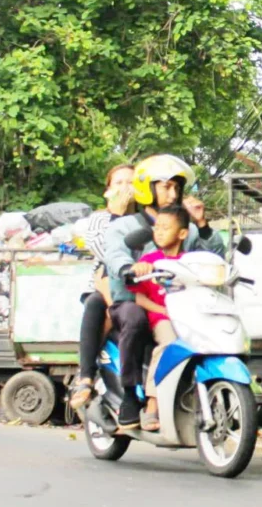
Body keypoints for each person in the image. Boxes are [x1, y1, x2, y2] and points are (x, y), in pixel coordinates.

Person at [102, 154, 225, 429]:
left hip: (179, 305)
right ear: (148, 188)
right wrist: (128, 267)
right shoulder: (125, 226)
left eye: (176, 187)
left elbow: (214, 257)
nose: (173, 193)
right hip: (135, 300)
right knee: (133, 318)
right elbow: (114, 252)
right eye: (165, 186)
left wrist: (202, 225)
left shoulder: (188, 230)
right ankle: (132, 397)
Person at [69, 164, 136, 411]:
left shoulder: (143, 218)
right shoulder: (99, 219)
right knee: (96, 303)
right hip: (105, 283)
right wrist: (117, 215)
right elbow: (106, 251)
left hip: (139, 286)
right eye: (119, 183)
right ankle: (86, 375)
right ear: (108, 191)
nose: (125, 188)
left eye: (130, 182)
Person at [129, 205, 190, 431]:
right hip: (161, 318)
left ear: (182, 233)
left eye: (166, 227)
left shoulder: (190, 261)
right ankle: (152, 405)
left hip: (189, 319)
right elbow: (139, 299)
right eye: (157, 227)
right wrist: (163, 311)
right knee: (169, 343)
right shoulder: (150, 260)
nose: (160, 232)